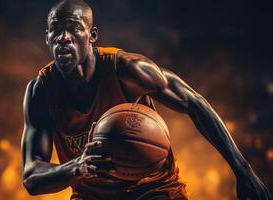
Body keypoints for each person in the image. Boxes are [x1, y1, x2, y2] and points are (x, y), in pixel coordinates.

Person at [21, 0, 271, 199]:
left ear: (92, 35)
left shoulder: (128, 70)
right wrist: (79, 166)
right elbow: (32, 177)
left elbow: (194, 103)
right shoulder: (41, 91)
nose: (64, 37)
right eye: (56, 29)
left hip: (153, 190)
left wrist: (243, 170)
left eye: (74, 28)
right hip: (92, 195)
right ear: (47, 37)